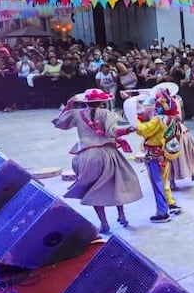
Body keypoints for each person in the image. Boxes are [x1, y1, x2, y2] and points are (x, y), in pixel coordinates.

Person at [52, 88, 142, 233]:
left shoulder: (77, 113)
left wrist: (69, 106)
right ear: (102, 102)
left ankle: (104, 223)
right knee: (117, 183)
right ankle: (122, 215)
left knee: (94, 190)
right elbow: (111, 131)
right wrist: (128, 130)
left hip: (85, 156)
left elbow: (60, 123)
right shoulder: (108, 114)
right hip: (106, 154)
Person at [132, 86, 184, 223]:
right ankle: (171, 203)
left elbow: (142, 130)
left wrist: (135, 117)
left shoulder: (158, 120)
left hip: (154, 154)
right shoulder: (172, 118)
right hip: (164, 153)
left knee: (157, 183)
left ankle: (162, 213)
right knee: (163, 181)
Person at [169, 92, 194, 186]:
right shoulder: (171, 101)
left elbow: (179, 117)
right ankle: (172, 180)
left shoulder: (175, 101)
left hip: (176, 129)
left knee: (190, 151)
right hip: (170, 130)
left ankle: (192, 172)